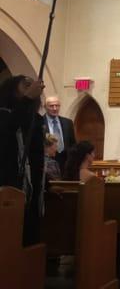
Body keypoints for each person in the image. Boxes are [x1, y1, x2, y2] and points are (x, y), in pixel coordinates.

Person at [0, 75, 45, 246]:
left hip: (32, 191)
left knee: (29, 243)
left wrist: (46, 183)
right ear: (11, 90)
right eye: (25, 84)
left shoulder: (35, 119)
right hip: (10, 185)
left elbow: (36, 157)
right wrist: (27, 99)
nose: (31, 87)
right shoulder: (3, 115)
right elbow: (8, 129)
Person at [43, 95, 76, 173]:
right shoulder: (40, 122)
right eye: (51, 106)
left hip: (65, 162)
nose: (55, 108)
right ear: (45, 107)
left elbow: (73, 143)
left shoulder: (68, 123)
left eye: (57, 106)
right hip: (47, 163)